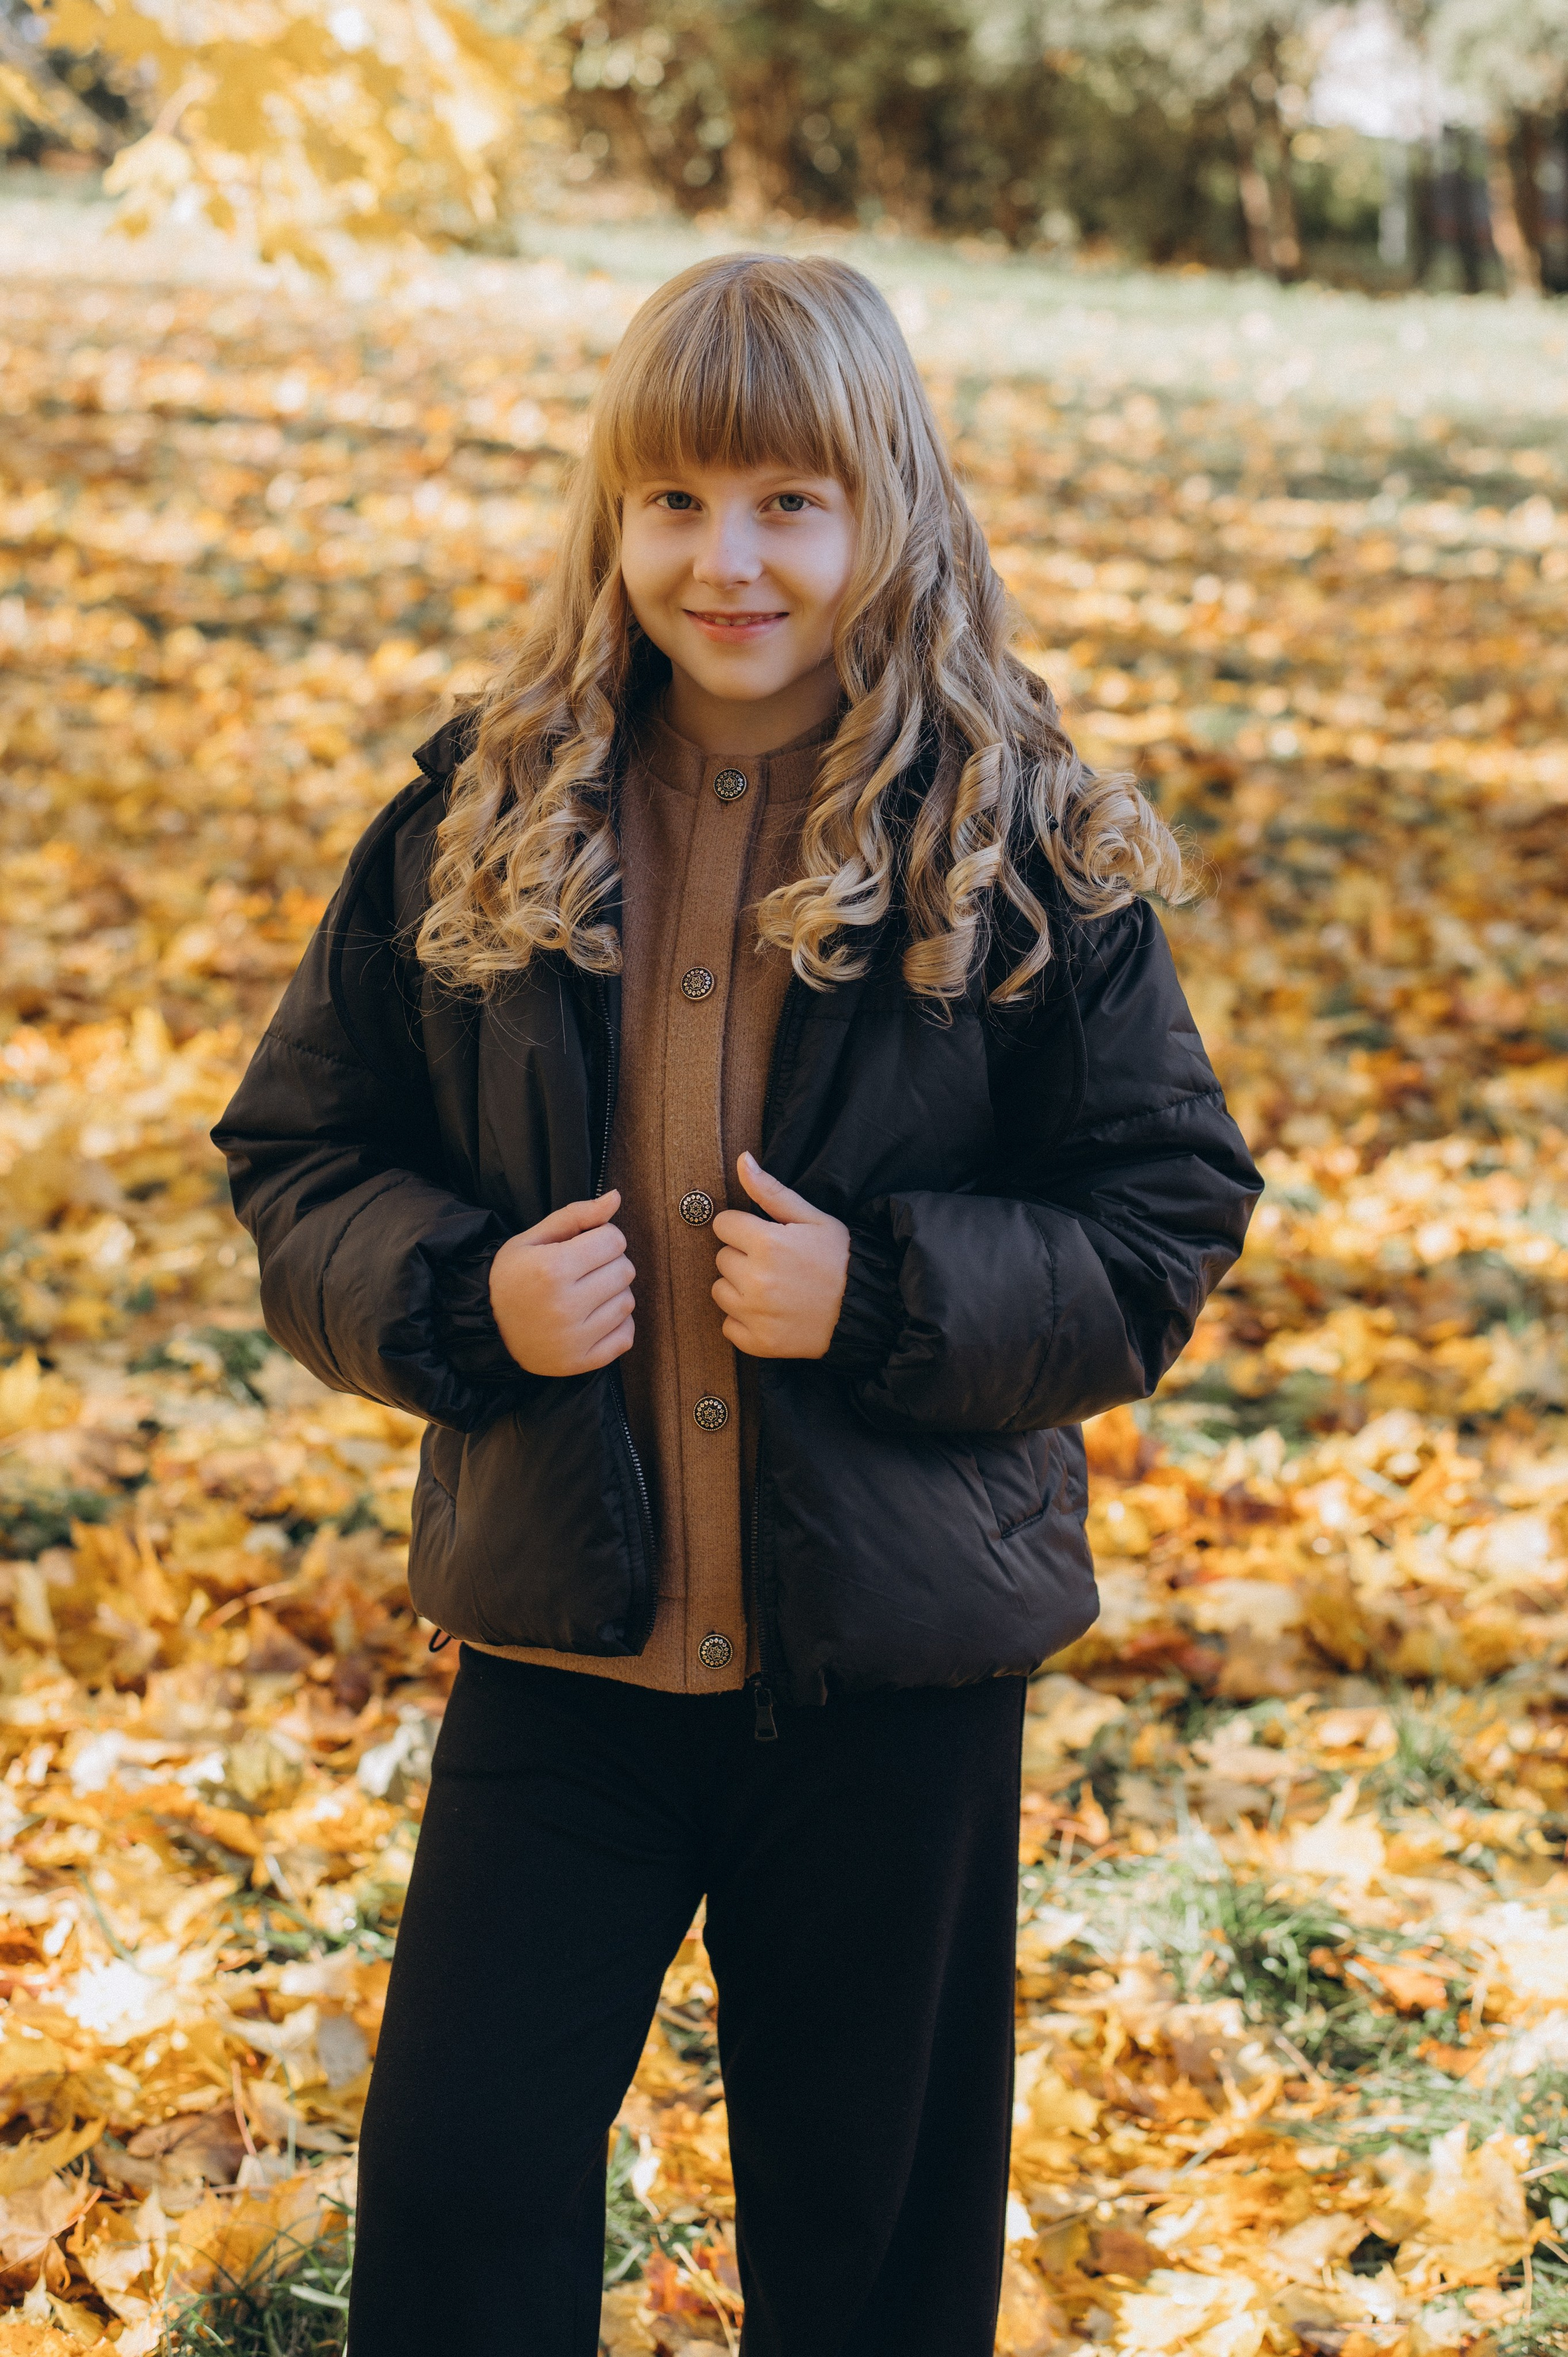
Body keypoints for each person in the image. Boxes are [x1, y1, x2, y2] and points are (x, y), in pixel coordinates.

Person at [213, 252, 1261, 2357]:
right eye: (677, 499)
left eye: (791, 499)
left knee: (869, 2240)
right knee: (459, 2181)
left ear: (892, 510)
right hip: (560, 1650)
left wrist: (879, 1300)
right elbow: (297, 1157)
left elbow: (1163, 1215)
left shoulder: (1023, 841)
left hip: (895, 1678)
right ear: (612, 517)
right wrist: (457, 1296)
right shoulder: (476, 821)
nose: (733, 558)